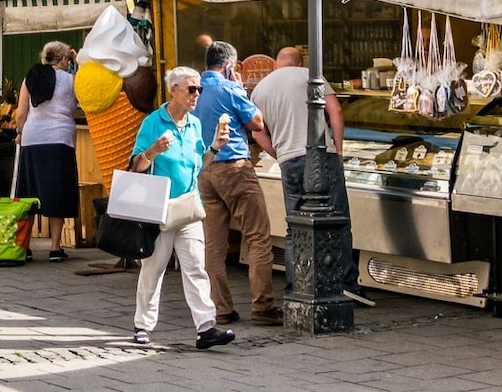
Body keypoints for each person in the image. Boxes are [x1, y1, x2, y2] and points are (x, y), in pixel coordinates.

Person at [251, 46, 372, 307]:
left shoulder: (261, 88)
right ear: (300, 61)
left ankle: (299, 284)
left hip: (288, 161)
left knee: (296, 227)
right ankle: (346, 283)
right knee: (337, 220)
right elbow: (335, 111)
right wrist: (337, 150)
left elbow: (257, 132)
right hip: (320, 155)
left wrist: (279, 154)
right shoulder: (311, 75)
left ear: (276, 64)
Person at [130, 65, 233, 349]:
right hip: (158, 207)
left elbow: (199, 166)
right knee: (154, 268)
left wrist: (214, 147)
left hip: (187, 207)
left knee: (196, 267)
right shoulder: (153, 122)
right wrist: (153, 151)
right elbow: (135, 165)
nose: (197, 94)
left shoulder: (194, 123)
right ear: (173, 90)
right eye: (191, 88)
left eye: (199, 89)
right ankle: (142, 325)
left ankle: (206, 327)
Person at [194, 41, 279, 326]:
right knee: (257, 235)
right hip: (234, 166)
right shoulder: (229, 89)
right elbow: (256, 122)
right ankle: (263, 306)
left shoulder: (195, 89)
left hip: (204, 169)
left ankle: (221, 308)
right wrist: (242, 90)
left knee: (213, 243)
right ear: (229, 66)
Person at [14, 40, 81, 261]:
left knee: (29, 193)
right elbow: (83, 97)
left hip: (32, 138)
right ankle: (54, 247)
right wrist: (79, 60)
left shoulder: (30, 77)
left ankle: (24, 245)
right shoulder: (71, 79)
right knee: (57, 192)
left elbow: (21, 112)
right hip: (59, 139)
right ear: (64, 59)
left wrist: (20, 131)